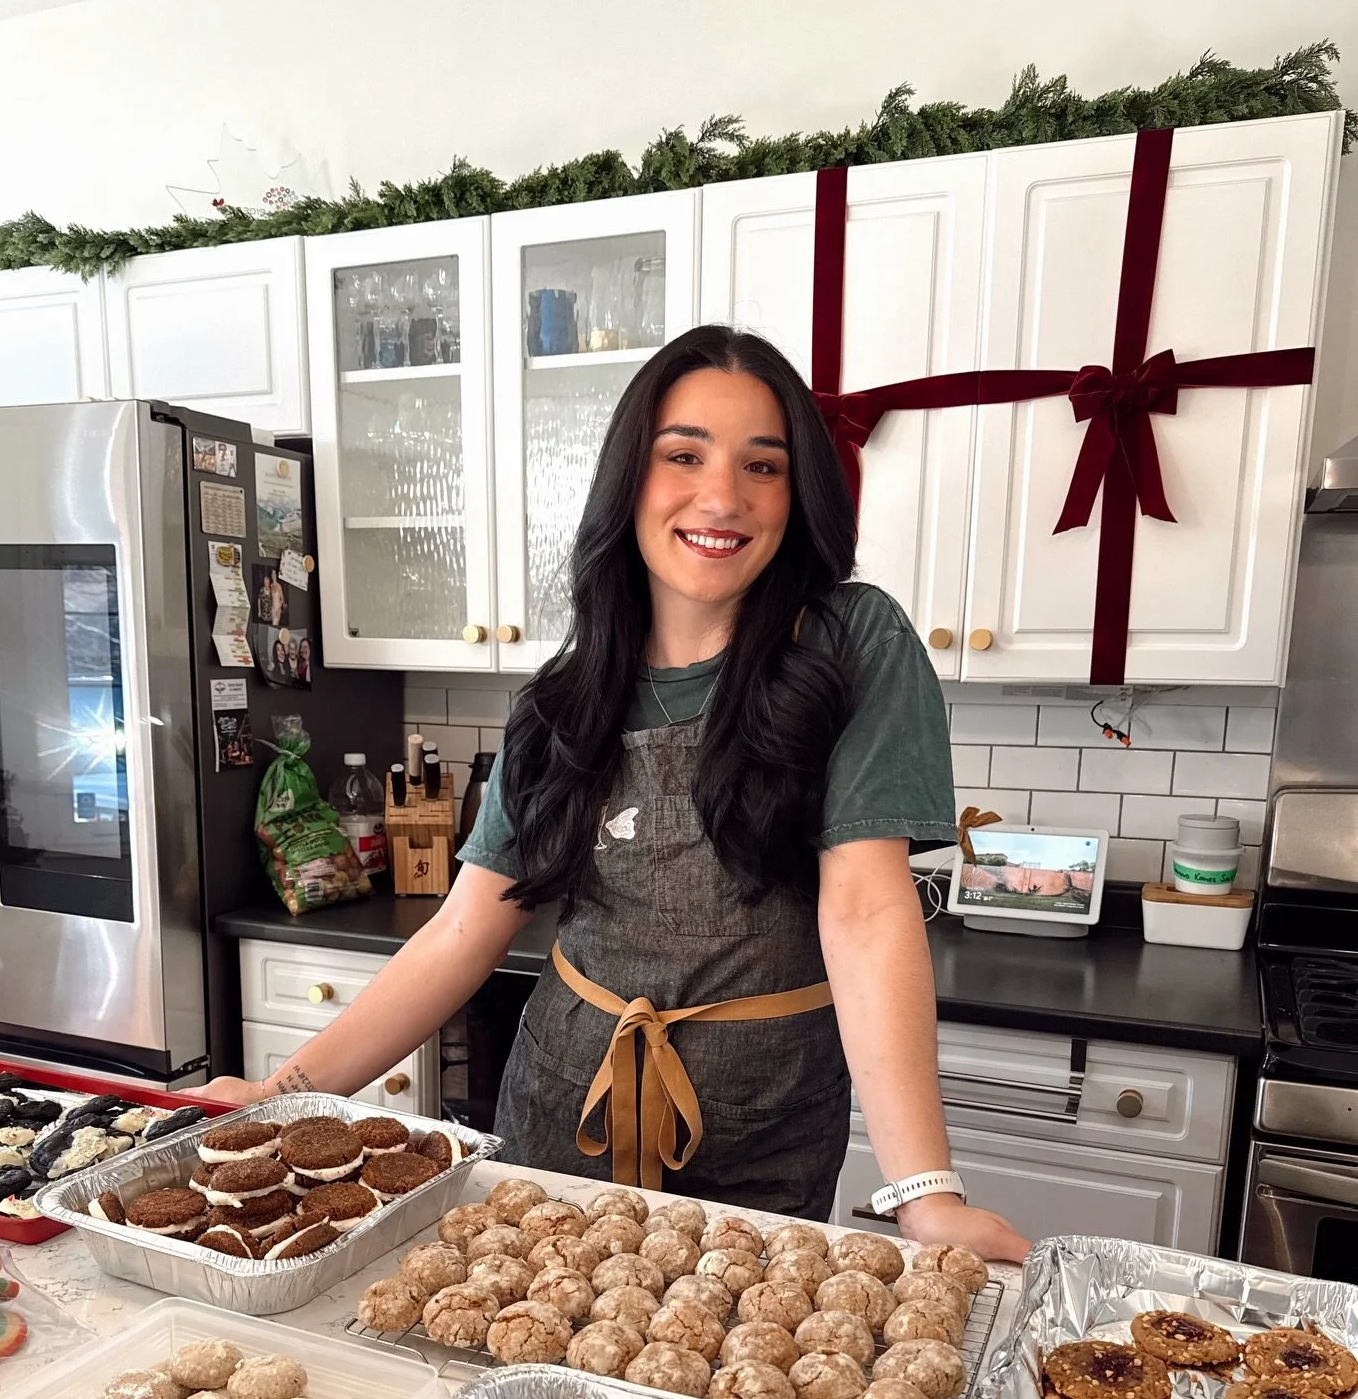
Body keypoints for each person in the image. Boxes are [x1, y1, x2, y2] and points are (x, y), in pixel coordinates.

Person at [202, 326, 1028, 1261]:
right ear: (629, 477)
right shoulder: (560, 698)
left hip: (763, 1131)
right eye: (685, 455)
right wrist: (284, 1095)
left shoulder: (847, 641)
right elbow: (466, 928)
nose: (723, 497)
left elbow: (867, 908)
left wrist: (924, 1194)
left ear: (798, 497)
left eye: (764, 466)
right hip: (560, 1117)